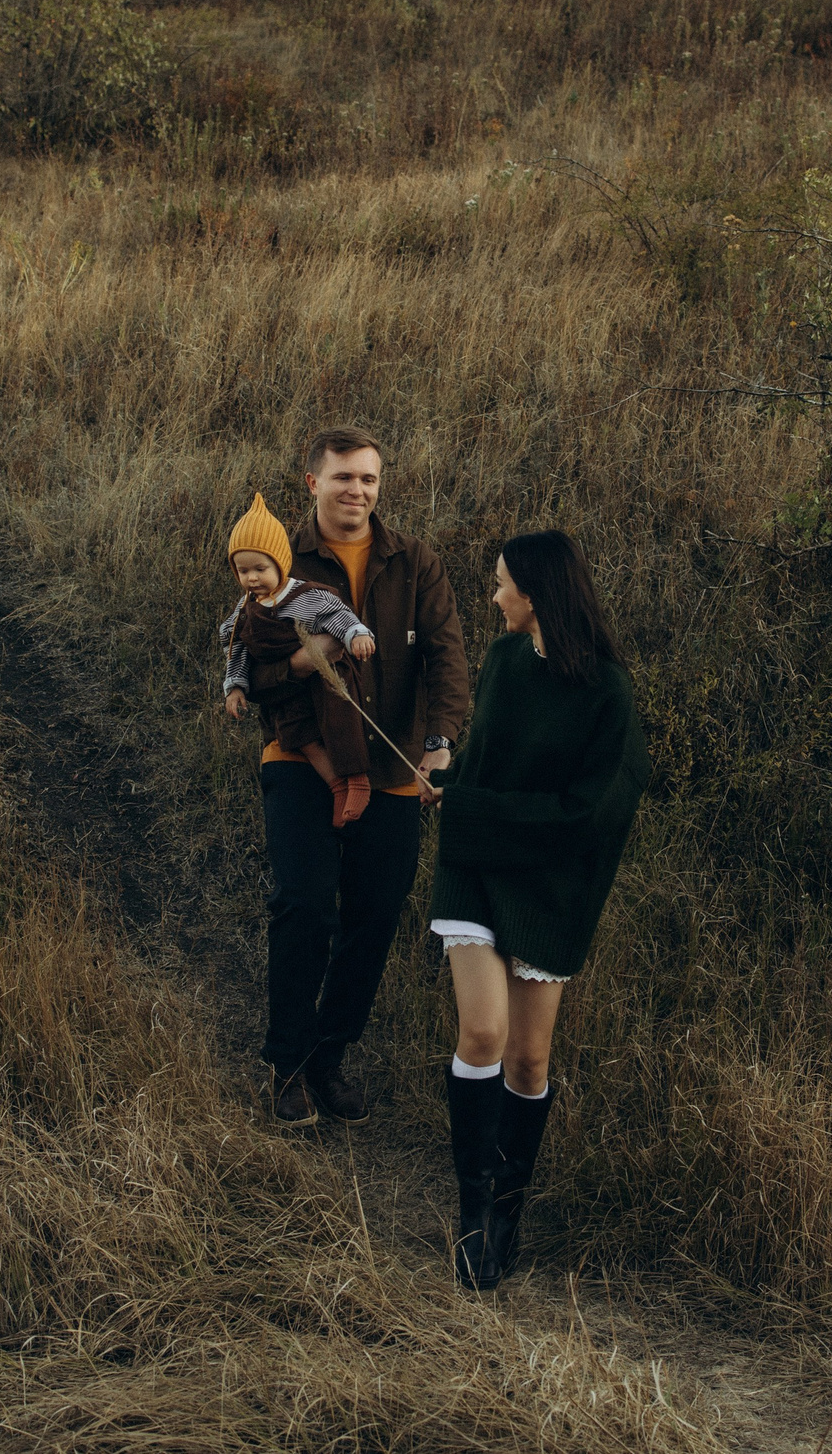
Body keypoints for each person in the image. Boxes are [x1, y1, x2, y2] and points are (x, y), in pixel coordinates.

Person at [421, 529, 649, 1289]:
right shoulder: (502, 661)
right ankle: (472, 1211)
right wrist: (449, 786)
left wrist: (473, 806)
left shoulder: (608, 693)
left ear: (536, 592)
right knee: (483, 1031)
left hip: (551, 887)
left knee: (528, 1056)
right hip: (476, 868)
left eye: (500, 584)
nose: (493, 596)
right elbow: (480, 764)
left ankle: (509, 1211)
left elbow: (586, 814)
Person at [238, 429, 469, 1127]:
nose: (358, 491)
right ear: (312, 483)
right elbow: (248, 665)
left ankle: (327, 1058)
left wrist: (439, 743)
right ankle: (286, 1064)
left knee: (372, 920)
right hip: (301, 758)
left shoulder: (414, 562)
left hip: (393, 767)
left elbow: (447, 656)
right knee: (304, 903)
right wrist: (303, 668)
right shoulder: (278, 558)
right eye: (343, 478)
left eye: (369, 478)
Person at [218, 492, 380, 828]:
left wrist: (357, 635)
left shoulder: (303, 595)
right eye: (242, 570)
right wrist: (234, 687)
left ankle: (358, 779)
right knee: (296, 733)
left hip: (324, 678)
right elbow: (236, 649)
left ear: (279, 562)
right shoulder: (245, 607)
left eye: (260, 568)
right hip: (286, 690)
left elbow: (338, 616)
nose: (251, 578)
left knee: (339, 717)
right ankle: (337, 784)